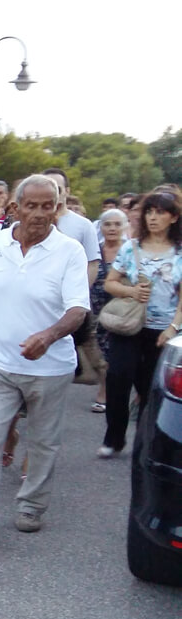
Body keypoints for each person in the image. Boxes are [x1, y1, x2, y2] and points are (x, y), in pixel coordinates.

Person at [0, 175, 90, 544]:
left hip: (50, 367)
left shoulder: (70, 251)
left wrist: (49, 335)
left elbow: (79, 308)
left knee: (43, 441)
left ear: (58, 208)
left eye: (49, 206)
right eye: (32, 205)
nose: (40, 214)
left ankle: (31, 506)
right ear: (16, 207)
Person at [98, 193, 182, 457]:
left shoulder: (179, 252)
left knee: (151, 388)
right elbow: (110, 282)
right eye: (149, 212)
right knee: (118, 377)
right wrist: (131, 292)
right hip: (130, 325)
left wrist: (172, 328)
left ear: (174, 217)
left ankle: (148, 442)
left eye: (160, 212)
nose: (153, 217)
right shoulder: (131, 247)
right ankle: (114, 438)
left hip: (163, 330)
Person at [90, 209, 129, 412]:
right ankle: (104, 390)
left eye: (117, 224)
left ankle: (129, 394)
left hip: (124, 310)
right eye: (107, 224)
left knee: (122, 351)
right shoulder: (94, 251)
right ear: (101, 227)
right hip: (97, 310)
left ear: (124, 227)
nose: (112, 228)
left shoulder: (131, 252)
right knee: (102, 352)